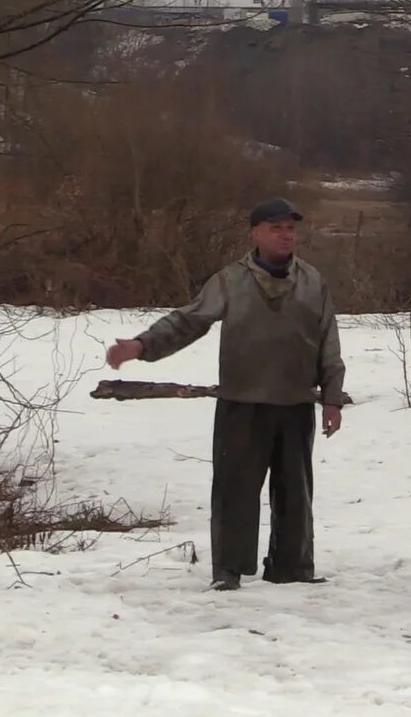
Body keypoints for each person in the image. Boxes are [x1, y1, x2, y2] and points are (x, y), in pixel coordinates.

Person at [104, 197, 347, 591]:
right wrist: (141, 346)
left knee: (295, 492)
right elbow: (188, 321)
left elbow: (328, 343)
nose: (286, 235)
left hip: (295, 402)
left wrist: (332, 397)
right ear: (255, 234)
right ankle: (228, 569)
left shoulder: (313, 281)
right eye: (276, 227)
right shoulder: (231, 280)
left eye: (290, 228)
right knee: (236, 489)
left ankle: (292, 565)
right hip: (242, 402)